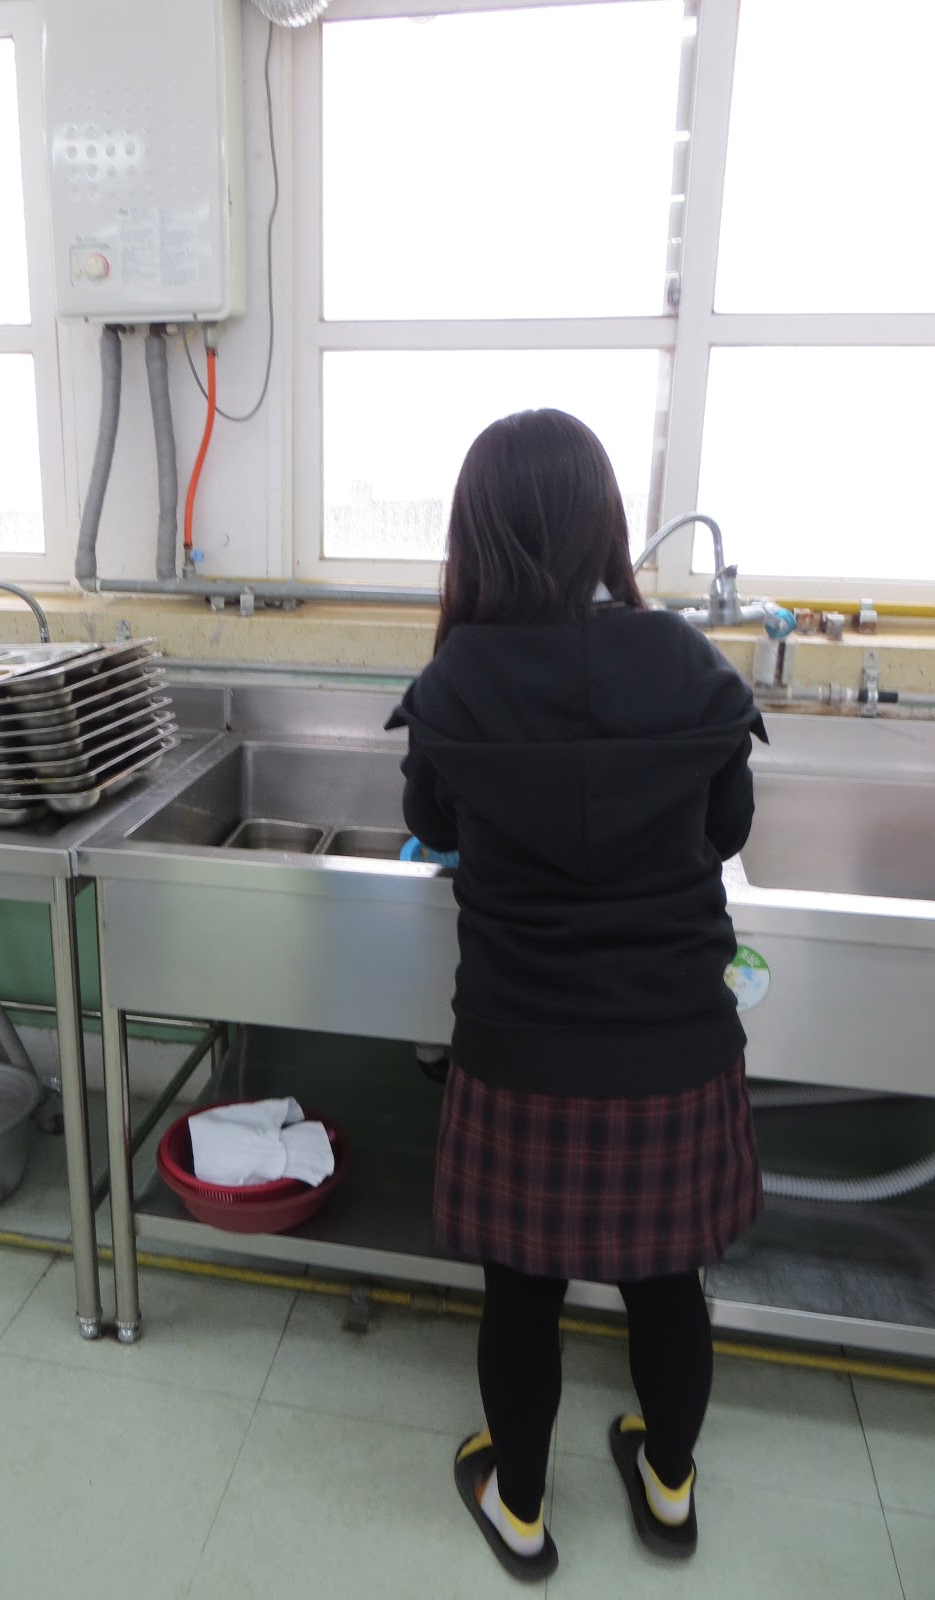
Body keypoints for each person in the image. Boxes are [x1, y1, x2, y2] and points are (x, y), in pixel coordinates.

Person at [386, 409, 766, 1582]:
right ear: (606, 522)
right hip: (674, 1043)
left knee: (521, 1294)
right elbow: (728, 828)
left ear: (477, 535)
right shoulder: (691, 665)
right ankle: (669, 1486)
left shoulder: (457, 680)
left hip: (523, 1046)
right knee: (669, 1282)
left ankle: (521, 1508)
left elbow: (431, 821)